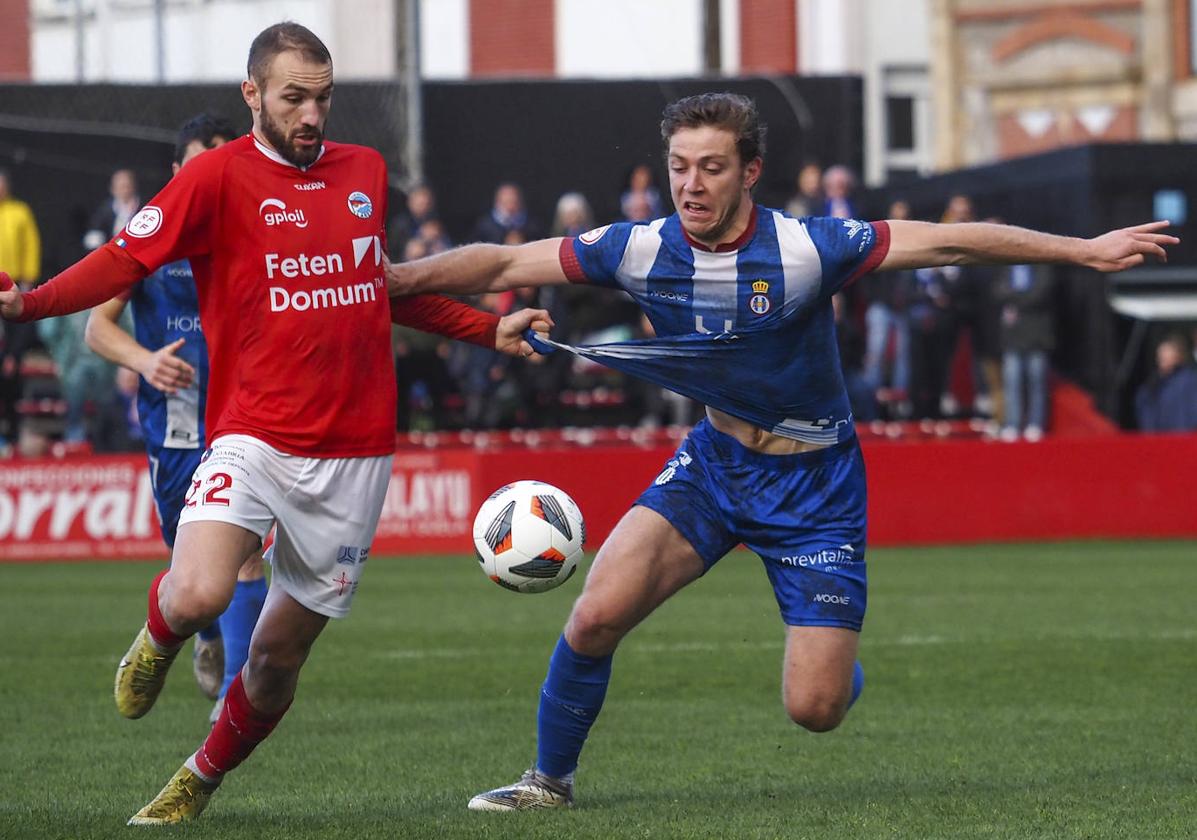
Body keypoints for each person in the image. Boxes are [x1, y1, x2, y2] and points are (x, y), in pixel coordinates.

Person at [385, 92, 1176, 811]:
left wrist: (1081, 249)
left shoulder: (807, 248)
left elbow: (952, 246)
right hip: (714, 470)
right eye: (678, 167)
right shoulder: (636, 249)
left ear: (750, 172)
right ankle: (545, 782)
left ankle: (835, 662)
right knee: (593, 615)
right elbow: (497, 263)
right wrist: (393, 279)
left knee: (815, 708)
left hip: (815, 489)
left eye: (711, 168)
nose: (690, 185)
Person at [0, 21, 549, 824]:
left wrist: (482, 326)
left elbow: (379, 286)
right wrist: (31, 304)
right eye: (294, 97)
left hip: (356, 454)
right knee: (196, 593)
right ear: (252, 94)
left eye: (323, 98)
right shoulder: (215, 179)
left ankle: (201, 774)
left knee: (273, 658)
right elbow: (124, 259)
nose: (312, 115)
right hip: (253, 435)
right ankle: (157, 637)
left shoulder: (363, 172)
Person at [84, 113, 266, 714]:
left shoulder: (250, 228)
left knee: (242, 550)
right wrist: (145, 361)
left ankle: (236, 690)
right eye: (201, 155)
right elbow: (96, 327)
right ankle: (208, 637)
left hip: (240, 415)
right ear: (177, 170)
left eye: (223, 152)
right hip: (175, 420)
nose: (215, 165)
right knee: (188, 563)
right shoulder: (150, 233)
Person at [0, 168, 42, 454]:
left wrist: (28, 278)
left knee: (12, 365)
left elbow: (31, 245)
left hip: (11, 288)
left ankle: (12, 433)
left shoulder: (19, 211)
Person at [994, 264, 1055, 441]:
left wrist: (1014, 302)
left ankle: (1035, 424)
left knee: (1036, 381)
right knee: (1011, 382)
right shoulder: (1006, 268)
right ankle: (1012, 424)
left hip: (1037, 337)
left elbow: (1040, 294)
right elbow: (997, 292)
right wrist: (1019, 297)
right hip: (1012, 337)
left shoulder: (1042, 268)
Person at [1135, 332, 1197, 432]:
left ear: (1178, 356)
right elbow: (1144, 406)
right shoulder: (1153, 383)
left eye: (1166, 355)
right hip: (1160, 439)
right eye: (1160, 356)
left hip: (1183, 439)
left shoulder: (1189, 381)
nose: (1161, 359)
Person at [83, 168, 140, 251]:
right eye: (121, 187)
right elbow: (95, 231)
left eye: (127, 186)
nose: (124, 191)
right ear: (113, 189)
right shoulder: (105, 210)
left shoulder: (143, 208)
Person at [473, 182, 540, 243]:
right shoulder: (484, 226)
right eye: (506, 203)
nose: (510, 208)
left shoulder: (532, 226)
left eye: (514, 203)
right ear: (497, 203)